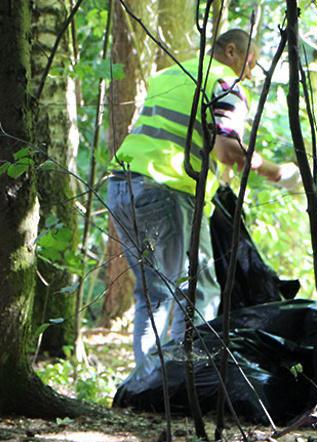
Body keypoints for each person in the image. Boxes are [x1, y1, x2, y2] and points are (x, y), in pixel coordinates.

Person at [107, 29, 302, 376]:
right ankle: (191, 380)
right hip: (167, 190)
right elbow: (227, 150)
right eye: (250, 63)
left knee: (153, 294)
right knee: (195, 290)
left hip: (123, 186)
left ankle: (148, 383)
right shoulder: (224, 84)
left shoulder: (171, 75)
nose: (251, 73)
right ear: (231, 51)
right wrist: (278, 173)